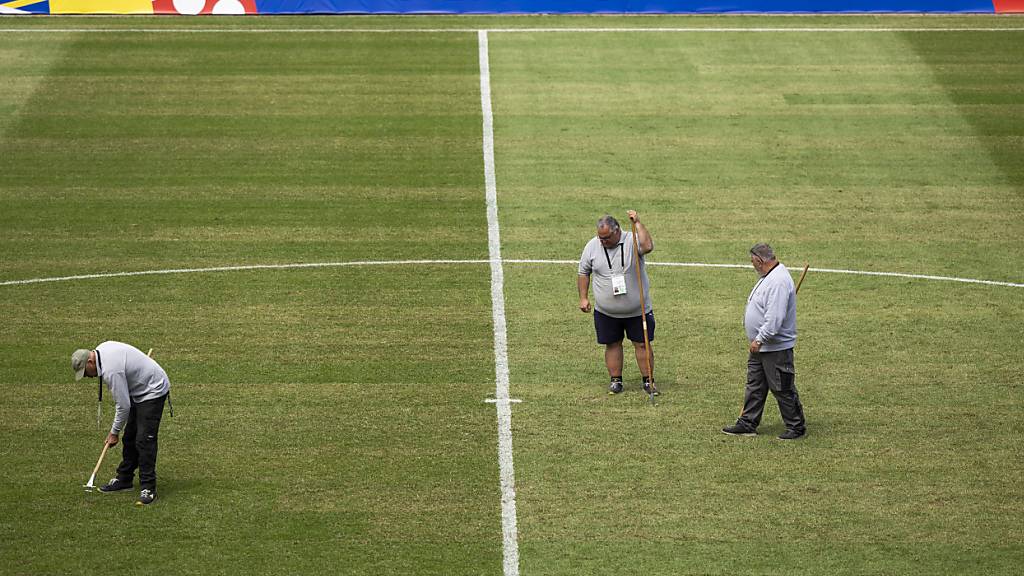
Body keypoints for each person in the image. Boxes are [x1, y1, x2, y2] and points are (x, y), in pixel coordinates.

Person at [722, 243, 807, 440]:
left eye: (753, 261)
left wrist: (760, 339)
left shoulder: (777, 282)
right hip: (761, 347)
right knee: (755, 385)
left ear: (760, 261)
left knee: (782, 387)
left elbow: (774, 319)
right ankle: (747, 422)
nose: (752, 265)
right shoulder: (769, 277)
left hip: (773, 347)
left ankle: (796, 426)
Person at [71, 341, 171, 505]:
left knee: (144, 440)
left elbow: (123, 406)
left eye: (86, 372)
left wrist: (114, 433)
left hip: (153, 389)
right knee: (130, 436)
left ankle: (148, 488)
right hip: (138, 389)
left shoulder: (111, 370)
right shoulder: (101, 349)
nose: (88, 376)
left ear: (90, 362)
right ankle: (125, 479)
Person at [578, 210, 657, 395]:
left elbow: (647, 246)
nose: (603, 241)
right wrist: (583, 297)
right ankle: (616, 380)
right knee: (612, 344)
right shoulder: (592, 246)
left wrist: (637, 222)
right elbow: (583, 272)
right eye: (600, 238)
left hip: (638, 309)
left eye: (606, 238)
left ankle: (648, 381)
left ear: (617, 231)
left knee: (642, 344)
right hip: (606, 311)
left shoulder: (632, 240)